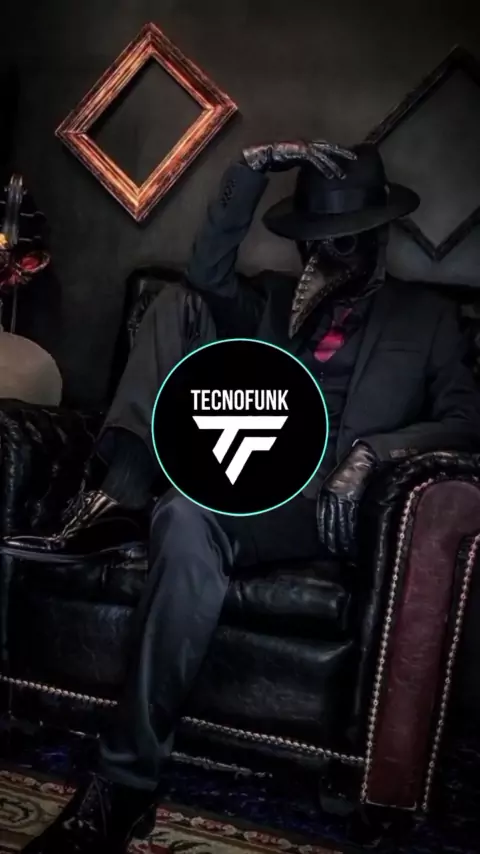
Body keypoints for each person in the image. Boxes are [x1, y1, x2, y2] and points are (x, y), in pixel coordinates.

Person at [6, 140, 480, 853]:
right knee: (183, 482)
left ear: (377, 234)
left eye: (344, 239)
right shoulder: (271, 301)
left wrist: (372, 454)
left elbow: (467, 420)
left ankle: (120, 767)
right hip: (240, 479)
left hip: (323, 504)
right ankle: (126, 779)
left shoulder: (426, 318)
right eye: (315, 240)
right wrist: (246, 173)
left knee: (194, 505)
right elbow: (206, 274)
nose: (327, 254)